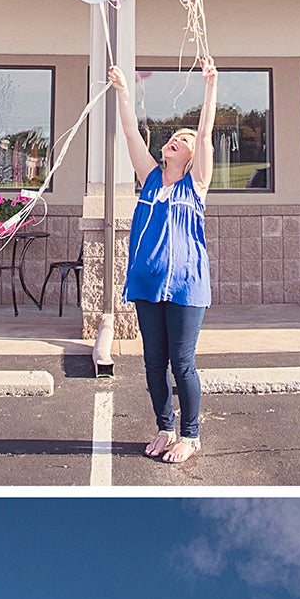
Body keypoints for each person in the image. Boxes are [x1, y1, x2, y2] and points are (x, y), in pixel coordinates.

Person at [109, 59, 217, 466]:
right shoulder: (150, 177)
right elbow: (131, 132)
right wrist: (122, 90)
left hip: (188, 287)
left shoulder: (197, 185)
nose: (176, 139)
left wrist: (211, 85)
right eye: (173, 136)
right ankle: (164, 428)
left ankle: (190, 436)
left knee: (182, 362)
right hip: (147, 285)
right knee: (153, 363)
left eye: (183, 140)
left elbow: (205, 132)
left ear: (191, 157)